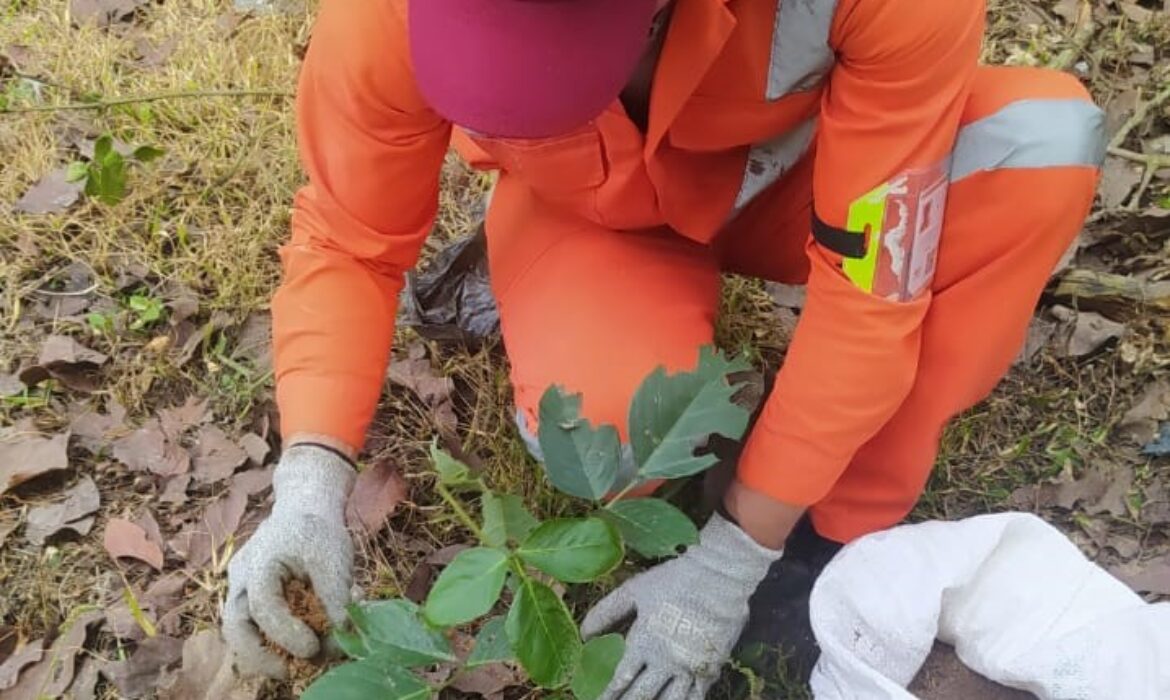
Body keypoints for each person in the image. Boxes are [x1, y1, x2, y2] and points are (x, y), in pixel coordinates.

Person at [220, 0, 1106, 695]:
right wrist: (309, 480)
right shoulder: (387, 12)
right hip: (591, 213)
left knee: (1038, 150)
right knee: (611, 438)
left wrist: (737, 555)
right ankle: (550, 284)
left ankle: (834, 534)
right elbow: (349, 240)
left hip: (799, 183)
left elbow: (872, 291)